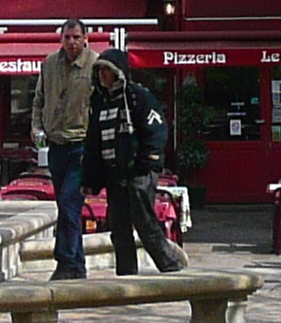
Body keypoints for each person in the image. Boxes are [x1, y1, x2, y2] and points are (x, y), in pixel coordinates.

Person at [86, 57, 185, 275]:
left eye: (107, 70)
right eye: (99, 70)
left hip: (138, 174)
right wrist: (91, 178)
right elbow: (94, 140)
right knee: (119, 228)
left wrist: (145, 164)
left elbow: (157, 130)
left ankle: (172, 269)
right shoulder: (98, 101)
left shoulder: (138, 97)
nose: (102, 74)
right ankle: (126, 276)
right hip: (114, 174)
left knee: (145, 222)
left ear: (118, 72)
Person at [32, 18, 103, 278]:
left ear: (86, 38)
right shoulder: (49, 64)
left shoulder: (96, 65)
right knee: (65, 208)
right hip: (56, 146)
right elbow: (38, 100)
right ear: (60, 39)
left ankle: (65, 263)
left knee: (69, 202)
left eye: (76, 37)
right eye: (67, 37)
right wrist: (36, 128)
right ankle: (77, 266)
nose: (72, 42)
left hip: (82, 146)